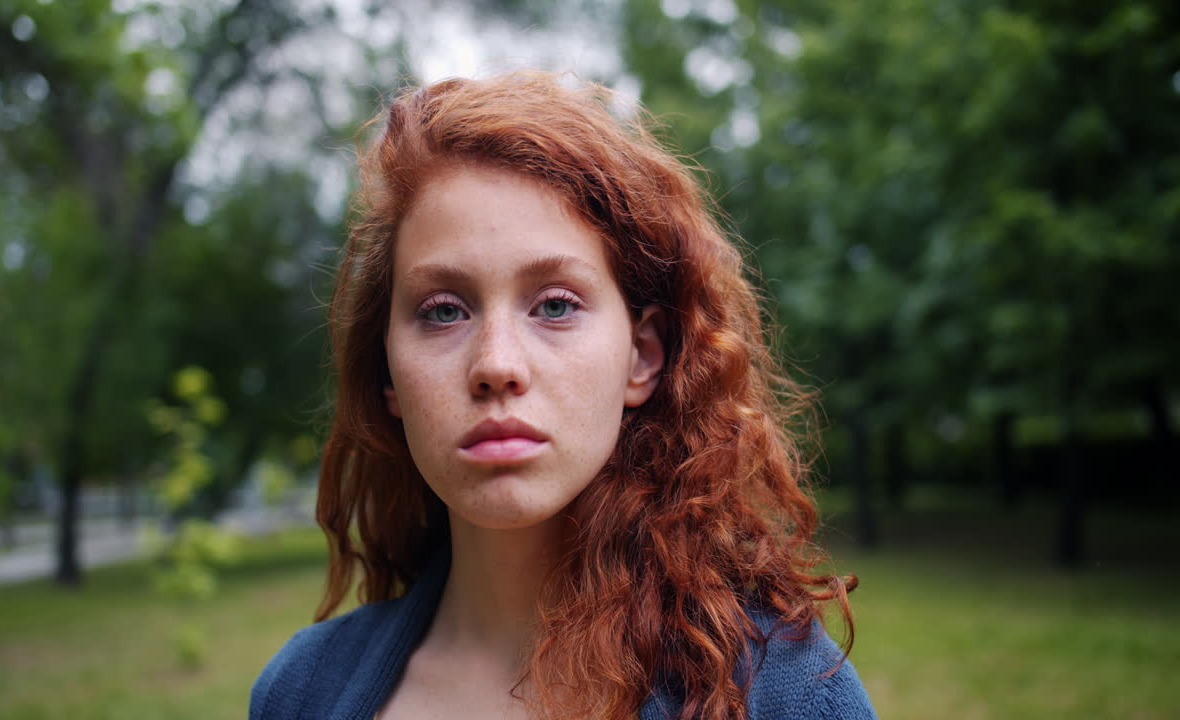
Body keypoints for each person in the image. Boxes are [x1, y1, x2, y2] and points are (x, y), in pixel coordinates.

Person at [250, 70, 877, 720]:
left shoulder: (784, 692)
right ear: (388, 376)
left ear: (643, 357)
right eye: (442, 311)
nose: (496, 364)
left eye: (554, 304)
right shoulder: (300, 691)